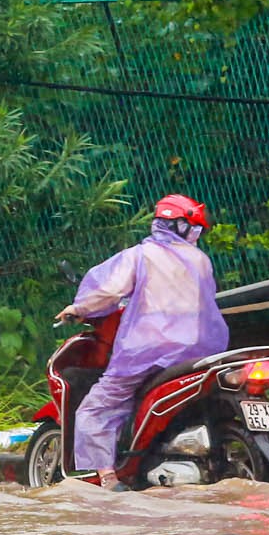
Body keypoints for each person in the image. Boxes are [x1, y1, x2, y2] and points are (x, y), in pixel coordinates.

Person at [57, 194, 229, 486]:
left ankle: (107, 477)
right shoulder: (202, 261)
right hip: (202, 350)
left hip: (148, 352)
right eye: (194, 228)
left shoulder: (141, 255)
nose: (197, 235)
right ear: (177, 225)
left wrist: (78, 308)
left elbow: (108, 292)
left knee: (95, 408)